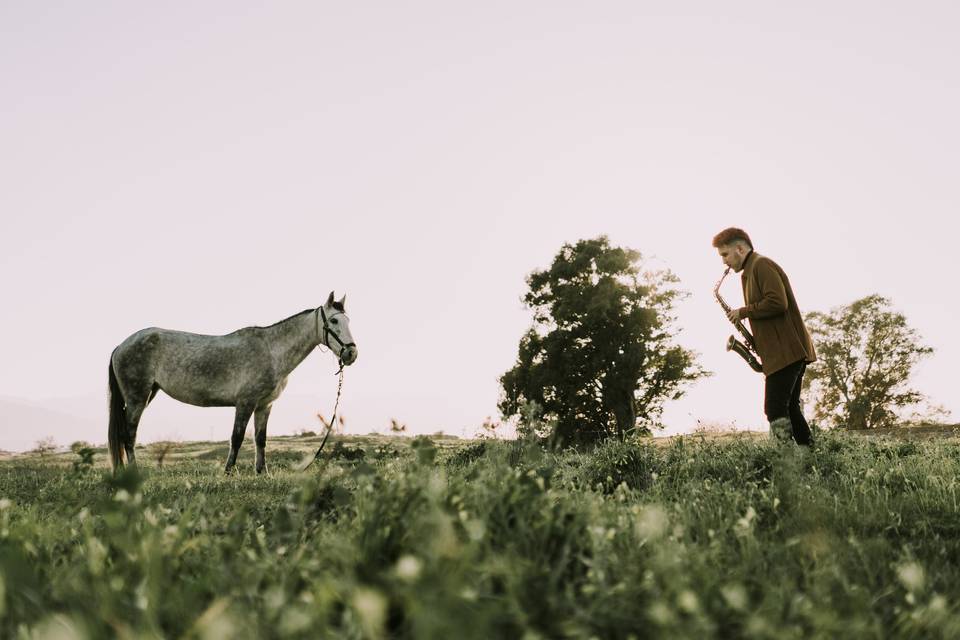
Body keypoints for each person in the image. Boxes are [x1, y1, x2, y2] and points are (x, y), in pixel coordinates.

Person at [712, 227, 817, 445]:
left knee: (775, 409)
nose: (724, 262)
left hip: (786, 350)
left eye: (725, 254)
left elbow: (778, 302)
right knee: (789, 407)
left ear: (739, 249)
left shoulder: (761, 265)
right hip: (782, 351)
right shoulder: (749, 273)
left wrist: (743, 312)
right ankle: (810, 456)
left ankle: (786, 462)